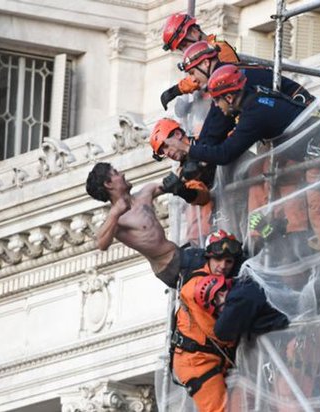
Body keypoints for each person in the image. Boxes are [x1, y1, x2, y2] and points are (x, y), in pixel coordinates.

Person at [168, 64, 320, 301]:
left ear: (231, 96)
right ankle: (274, 234)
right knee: (261, 174)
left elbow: (225, 153)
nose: (218, 109)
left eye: (218, 102)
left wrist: (188, 147)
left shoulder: (255, 113)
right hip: (304, 151)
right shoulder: (254, 100)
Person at [85, 162, 207, 288]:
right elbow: (101, 244)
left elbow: (172, 182)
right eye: (116, 173)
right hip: (171, 266)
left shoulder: (145, 193)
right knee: (218, 261)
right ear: (108, 184)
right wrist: (114, 214)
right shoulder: (118, 220)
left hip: (179, 255)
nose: (122, 174)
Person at [171, 230, 242, 412]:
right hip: (197, 361)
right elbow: (213, 294)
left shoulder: (217, 279)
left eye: (229, 261)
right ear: (208, 258)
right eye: (218, 259)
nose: (223, 266)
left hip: (212, 358)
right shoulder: (199, 285)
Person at [150, 118, 215, 245]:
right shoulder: (182, 172)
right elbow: (201, 195)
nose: (168, 153)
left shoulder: (206, 137)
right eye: (163, 152)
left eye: (167, 146)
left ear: (178, 134)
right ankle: (196, 242)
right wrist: (182, 190)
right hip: (222, 210)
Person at [160, 12, 240, 111]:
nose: (185, 52)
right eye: (181, 49)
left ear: (194, 32)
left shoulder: (219, 47)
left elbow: (215, 77)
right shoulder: (208, 50)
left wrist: (176, 90)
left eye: (184, 45)